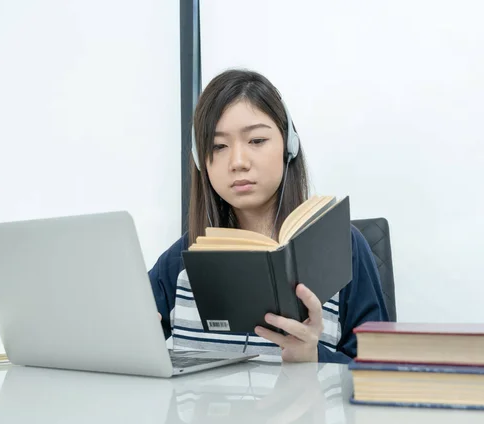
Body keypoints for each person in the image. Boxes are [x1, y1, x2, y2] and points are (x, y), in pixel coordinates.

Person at [148, 69, 388, 364]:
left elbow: (378, 371)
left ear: (289, 146)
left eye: (257, 140)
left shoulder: (344, 247)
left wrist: (312, 355)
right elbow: (131, 337)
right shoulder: (183, 257)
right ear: (202, 161)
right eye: (218, 146)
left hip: (312, 411)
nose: (238, 162)